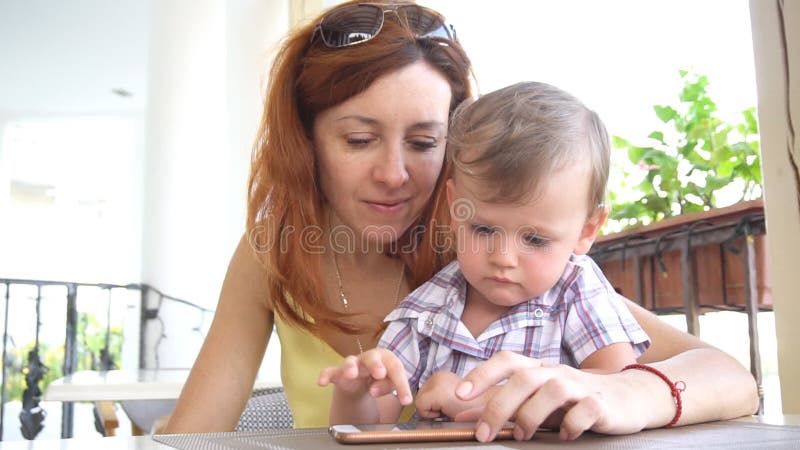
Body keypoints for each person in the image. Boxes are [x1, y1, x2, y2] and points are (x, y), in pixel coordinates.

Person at [164, 0, 758, 437]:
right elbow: (190, 436)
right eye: (360, 139)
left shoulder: (491, 247)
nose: (394, 174)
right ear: (308, 141)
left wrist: (621, 391)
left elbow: (732, 380)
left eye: (424, 143)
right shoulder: (275, 247)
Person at [318, 81, 652, 427]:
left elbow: (614, 391)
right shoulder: (427, 311)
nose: (503, 258)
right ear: (455, 206)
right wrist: (355, 394)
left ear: (586, 230)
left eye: (535, 240)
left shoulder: (575, 291)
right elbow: (371, 428)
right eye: (484, 230)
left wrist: (473, 397)